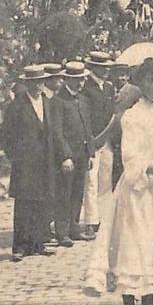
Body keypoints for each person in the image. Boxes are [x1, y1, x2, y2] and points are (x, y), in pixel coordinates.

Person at [84, 59, 153, 305]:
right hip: (136, 192)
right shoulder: (133, 117)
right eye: (151, 80)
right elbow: (132, 161)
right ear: (140, 83)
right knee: (134, 246)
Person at [0, 65, 56, 262]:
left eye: (41, 82)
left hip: (45, 162)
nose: (38, 86)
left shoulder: (48, 103)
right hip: (25, 163)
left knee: (42, 203)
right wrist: (16, 156)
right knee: (24, 205)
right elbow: (5, 135)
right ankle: (21, 246)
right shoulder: (17, 106)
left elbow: (53, 131)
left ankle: (38, 243)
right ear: (27, 84)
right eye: (34, 83)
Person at [49, 62, 96, 247]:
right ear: (67, 79)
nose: (81, 83)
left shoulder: (83, 100)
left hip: (83, 154)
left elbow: (87, 127)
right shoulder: (58, 101)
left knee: (78, 192)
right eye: (76, 79)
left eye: (82, 79)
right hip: (68, 156)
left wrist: (90, 153)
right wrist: (65, 156)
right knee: (64, 193)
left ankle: (74, 228)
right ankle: (62, 233)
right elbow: (57, 131)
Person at [81, 50, 119, 240]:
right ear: (94, 67)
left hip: (107, 140)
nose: (106, 71)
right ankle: (90, 221)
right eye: (103, 68)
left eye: (107, 68)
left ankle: (103, 219)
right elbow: (84, 118)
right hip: (92, 141)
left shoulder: (110, 87)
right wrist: (90, 141)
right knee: (91, 182)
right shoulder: (85, 87)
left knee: (106, 181)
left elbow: (112, 113)